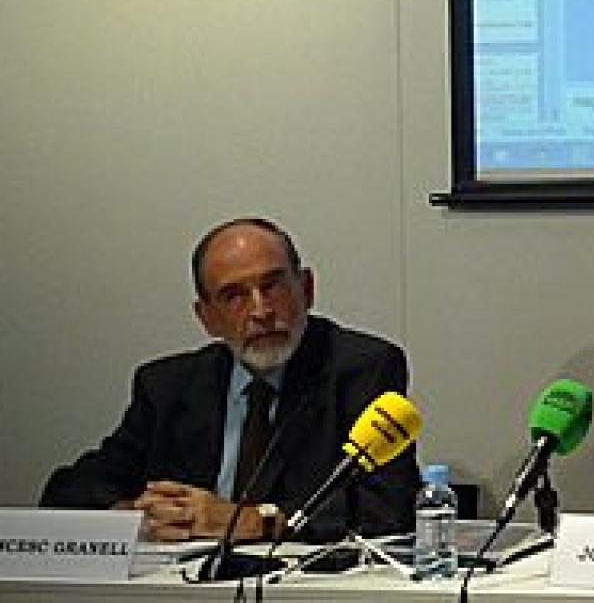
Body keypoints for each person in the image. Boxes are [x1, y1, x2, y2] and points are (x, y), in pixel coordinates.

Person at [41, 217, 419, 543]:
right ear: (206, 318)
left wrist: (250, 521)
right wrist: (141, 517)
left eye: (272, 286)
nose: (261, 311)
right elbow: (69, 491)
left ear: (306, 289)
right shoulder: (167, 387)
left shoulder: (360, 369)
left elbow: (387, 509)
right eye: (234, 296)